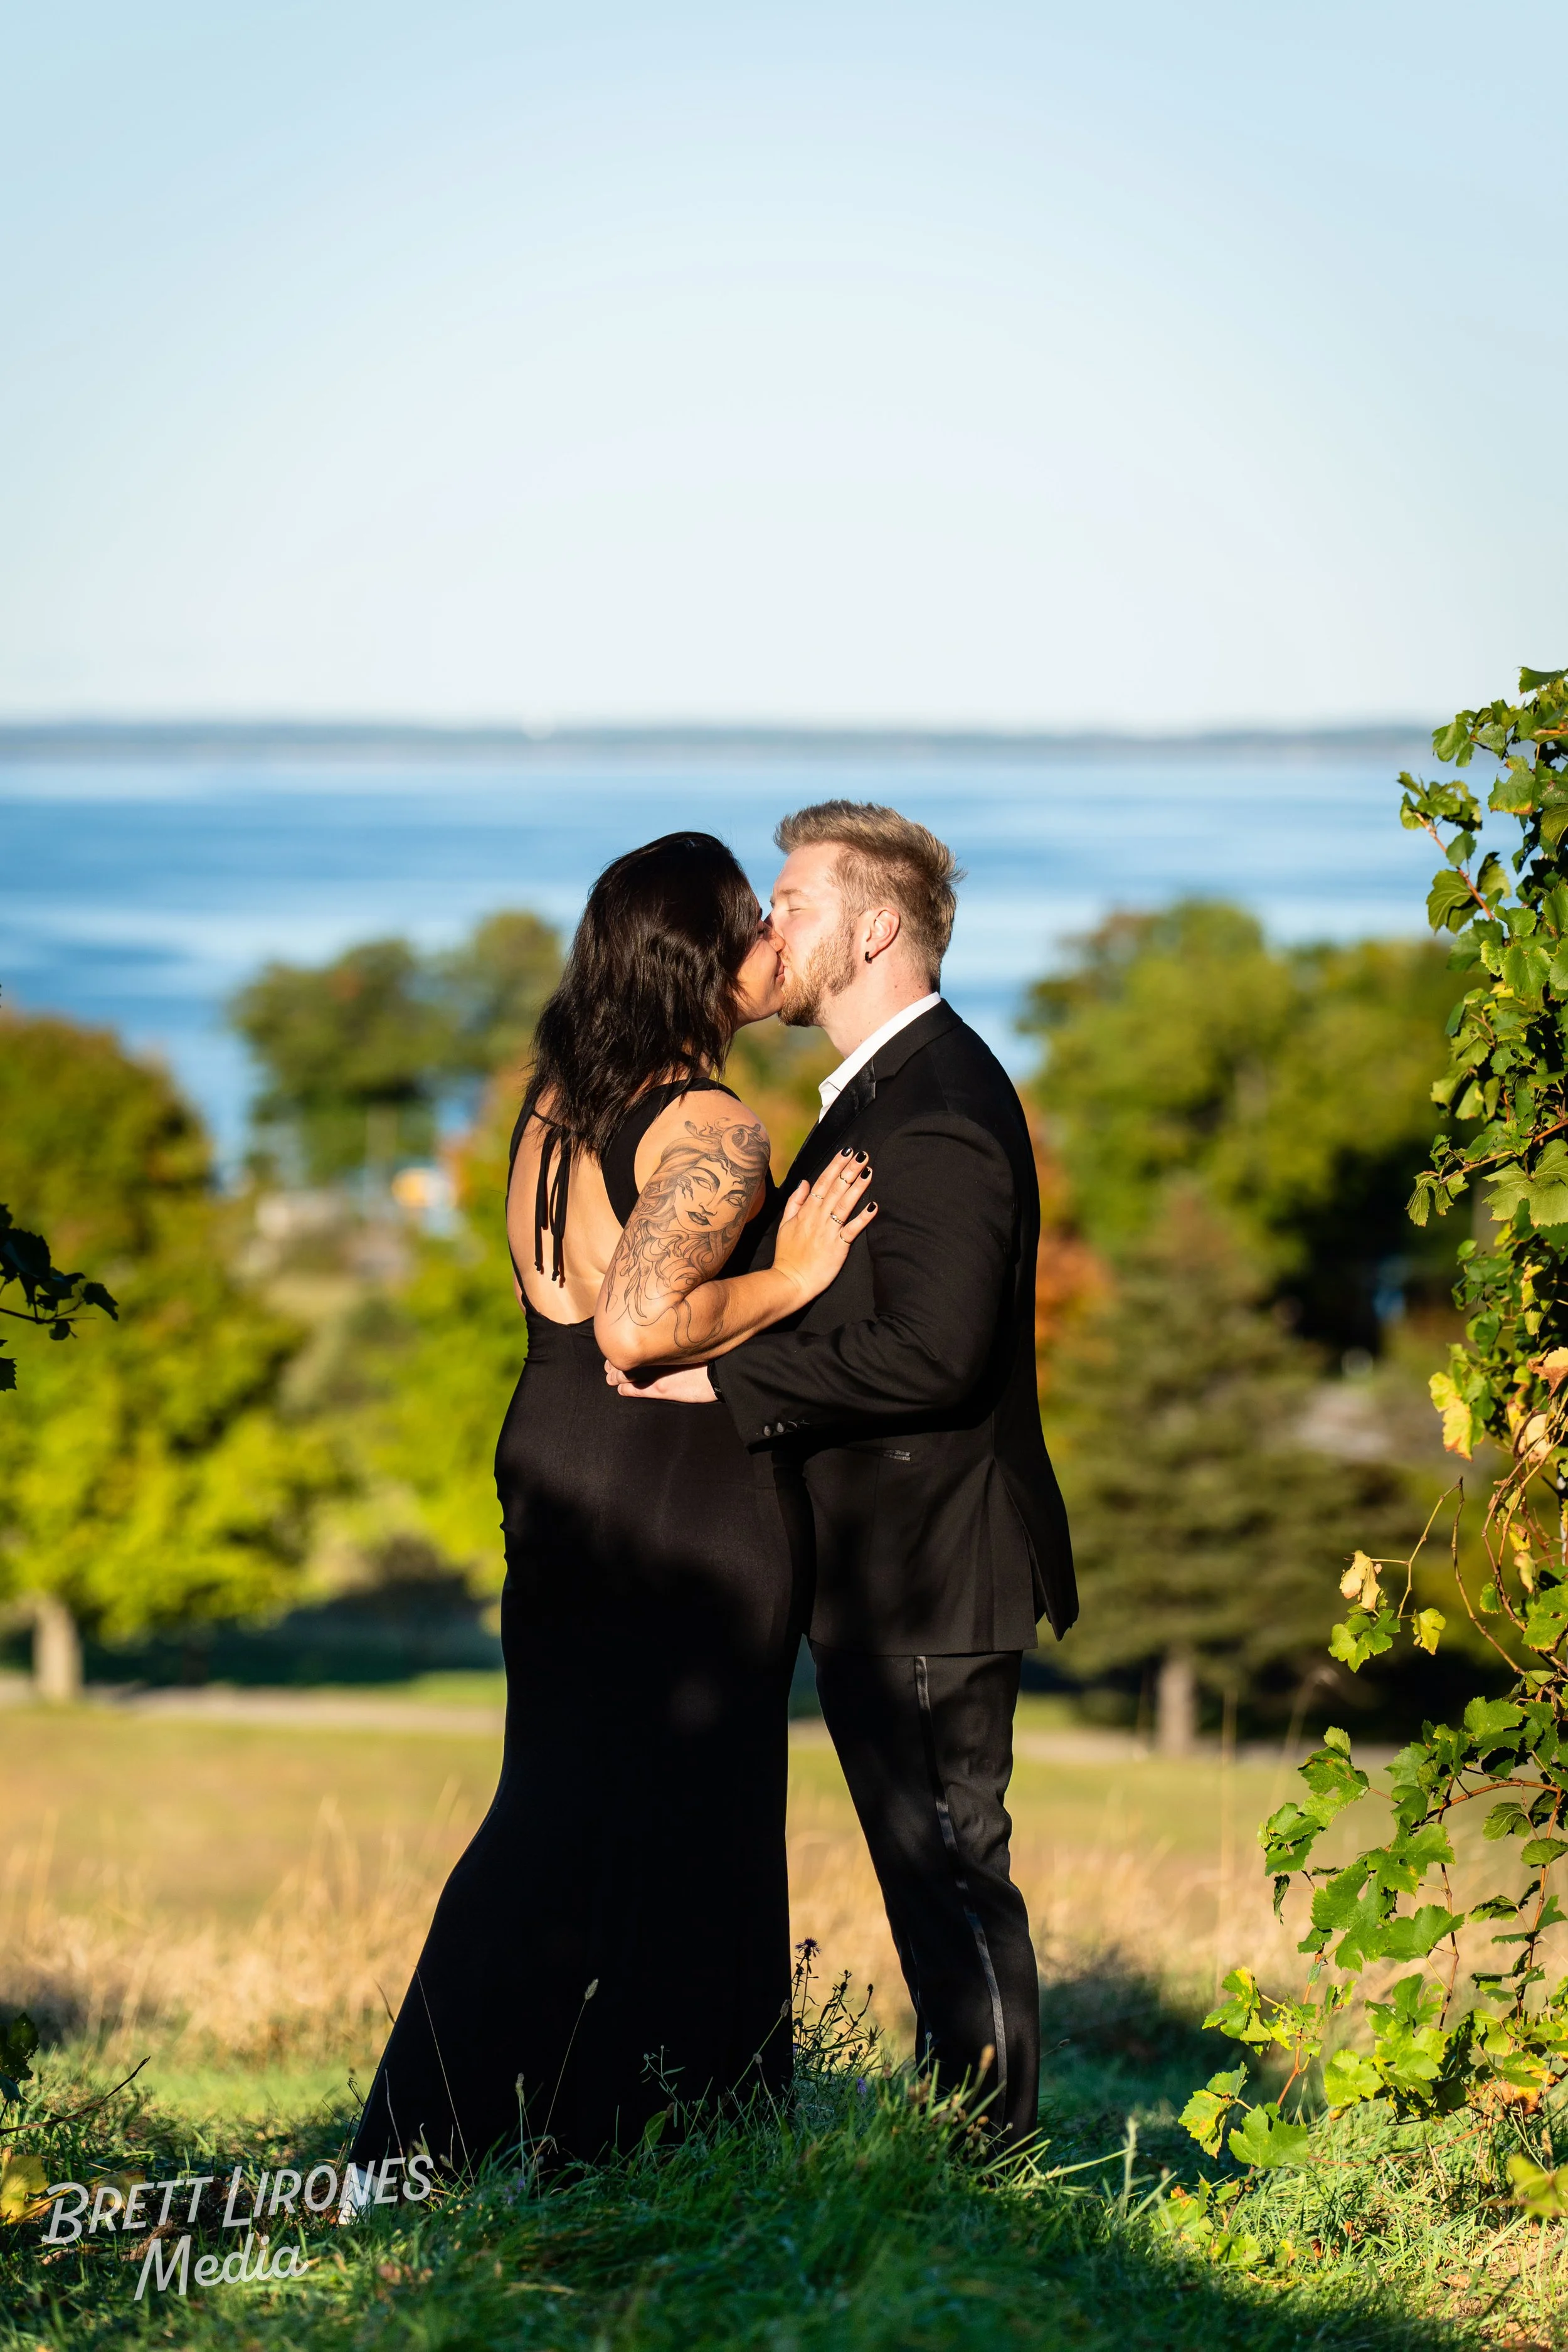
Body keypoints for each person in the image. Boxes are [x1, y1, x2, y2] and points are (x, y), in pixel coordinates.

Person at [350, 832, 874, 2174]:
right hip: (669, 1498)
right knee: (692, 1808)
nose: (771, 942)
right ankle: (676, 2134)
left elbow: (576, 1307)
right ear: (699, 957)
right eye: (752, 921)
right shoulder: (707, 1125)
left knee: (558, 1802)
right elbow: (642, 1329)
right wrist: (796, 1278)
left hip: (555, 1462)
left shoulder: (552, 1103)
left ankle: (457, 2132)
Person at [611, 802, 1076, 2150]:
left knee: (949, 1876)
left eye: (794, 902)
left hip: (931, 1565)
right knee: (928, 1874)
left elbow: (931, 1357)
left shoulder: (932, 1109)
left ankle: (988, 2168)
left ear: (874, 927)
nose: (768, 926)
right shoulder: (881, 1089)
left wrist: (722, 1379)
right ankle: (967, 2152)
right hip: (894, 1563)